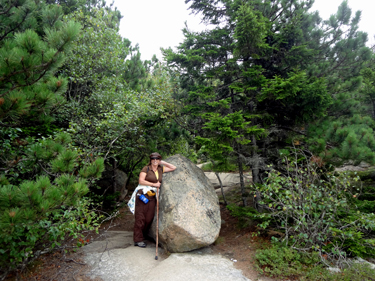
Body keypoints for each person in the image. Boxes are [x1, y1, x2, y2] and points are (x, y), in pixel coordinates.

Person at [128, 152, 176, 248]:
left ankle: (143, 235)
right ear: (150, 160)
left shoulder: (160, 169)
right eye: (153, 159)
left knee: (149, 218)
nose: (155, 160)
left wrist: (163, 162)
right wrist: (154, 184)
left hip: (152, 196)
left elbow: (173, 168)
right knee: (140, 217)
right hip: (142, 195)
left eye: (157, 159)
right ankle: (138, 239)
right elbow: (141, 181)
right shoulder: (146, 169)